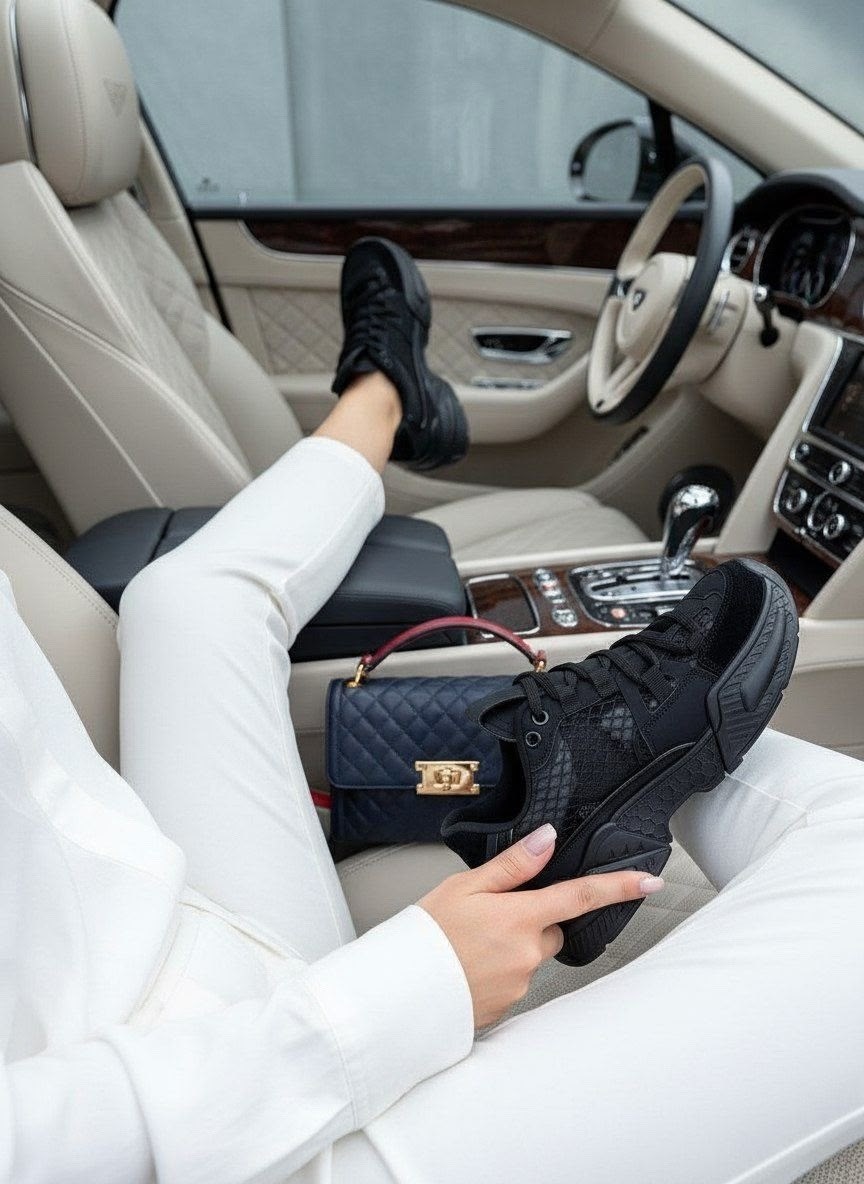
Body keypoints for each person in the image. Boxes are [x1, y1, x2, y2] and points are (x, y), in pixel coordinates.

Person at [2, 238, 863, 1184]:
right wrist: (409, 990)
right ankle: (584, 778)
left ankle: (385, 390)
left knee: (183, 601)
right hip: (222, 1140)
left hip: (148, 957)